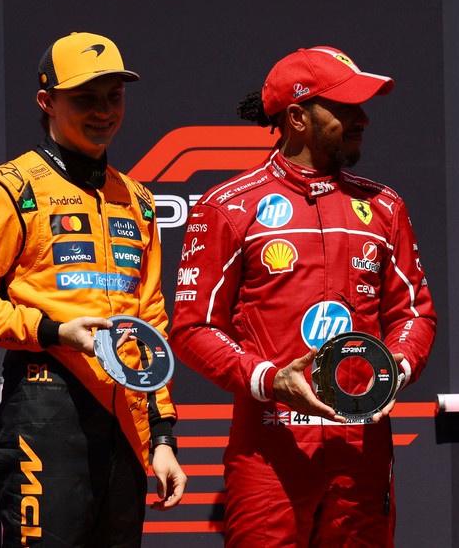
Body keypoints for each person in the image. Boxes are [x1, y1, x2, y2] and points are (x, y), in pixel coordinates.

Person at [169, 46, 437, 546]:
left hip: (362, 450)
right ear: (296, 116)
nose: (363, 119)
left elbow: (415, 314)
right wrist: (271, 380)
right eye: (345, 107)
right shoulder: (227, 206)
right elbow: (192, 328)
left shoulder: (384, 207)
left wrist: (393, 369)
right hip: (270, 449)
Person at [0, 31, 186, 547]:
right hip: (45, 408)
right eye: (85, 99)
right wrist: (53, 330)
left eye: (113, 96)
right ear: (46, 101)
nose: (103, 111)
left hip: (125, 419)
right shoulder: (9, 188)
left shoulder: (136, 199)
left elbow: (151, 325)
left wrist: (161, 436)